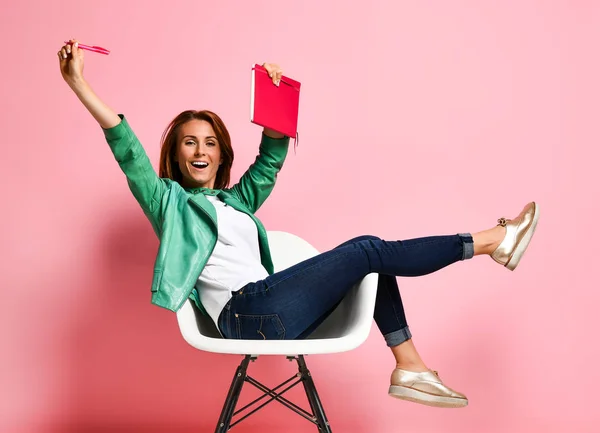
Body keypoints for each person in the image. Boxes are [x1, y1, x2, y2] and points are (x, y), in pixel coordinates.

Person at [58, 40, 540, 409]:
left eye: (209, 142)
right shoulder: (169, 203)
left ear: (222, 153)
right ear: (177, 154)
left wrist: (273, 96)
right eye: (189, 142)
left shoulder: (236, 202)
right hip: (246, 316)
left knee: (372, 263)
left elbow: (270, 160)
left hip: (272, 306)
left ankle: (410, 366)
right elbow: (128, 151)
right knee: (367, 248)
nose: (200, 151)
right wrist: (79, 82)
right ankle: (492, 241)